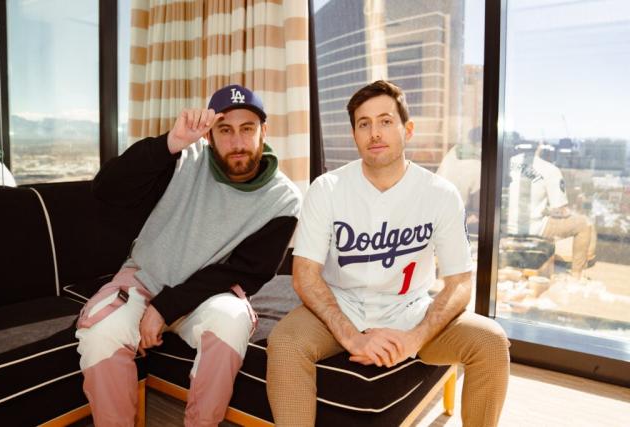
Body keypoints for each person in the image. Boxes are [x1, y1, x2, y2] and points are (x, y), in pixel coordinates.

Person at [266, 80, 510, 427]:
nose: (374, 132)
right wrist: (351, 336)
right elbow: (304, 273)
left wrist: (415, 338)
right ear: (354, 134)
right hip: (340, 305)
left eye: (385, 121)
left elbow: (459, 282)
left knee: (491, 341)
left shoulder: (439, 194)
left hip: (410, 308)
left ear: (406, 129)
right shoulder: (327, 189)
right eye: (364, 124)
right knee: (286, 343)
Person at [76, 84, 301, 426]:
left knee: (232, 321)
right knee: (100, 332)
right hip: (144, 276)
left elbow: (246, 273)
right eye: (225, 130)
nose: (237, 142)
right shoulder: (184, 157)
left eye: (247, 129)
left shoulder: (284, 198)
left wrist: (164, 308)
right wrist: (170, 143)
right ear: (210, 135)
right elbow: (105, 188)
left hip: (207, 294)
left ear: (264, 132)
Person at [507, 141, 596, 279]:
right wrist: (549, 210)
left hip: (504, 227)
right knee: (584, 224)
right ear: (541, 147)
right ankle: (576, 275)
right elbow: (561, 211)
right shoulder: (549, 169)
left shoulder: (505, 163)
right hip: (534, 229)